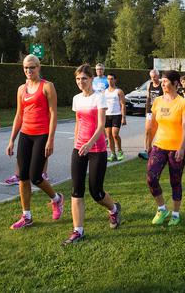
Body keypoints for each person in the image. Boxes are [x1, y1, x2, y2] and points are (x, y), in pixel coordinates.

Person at [63, 64, 122, 245]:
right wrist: (76, 143)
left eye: (84, 79)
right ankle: (78, 231)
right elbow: (78, 123)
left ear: (91, 79)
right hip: (79, 148)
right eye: (78, 79)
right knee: (76, 190)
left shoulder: (99, 98)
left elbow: (100, 126)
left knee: (96, 192)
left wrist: (89, 144)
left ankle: (113, 209)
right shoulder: (76, 99)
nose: (81, 82)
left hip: (96, 149)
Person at [5, 55, 64, 229]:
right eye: (25, 68)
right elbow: (19, 115)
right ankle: (27, 216)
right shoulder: (21, 89)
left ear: (38, 67)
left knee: (36, 177)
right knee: (22, 177)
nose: (29, 71)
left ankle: (57, 199)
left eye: (32, 67)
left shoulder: (47, 86)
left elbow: (53, 114)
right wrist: (11, 140)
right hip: (26, 134)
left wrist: (51, 139)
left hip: (42, 134)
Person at [147, 70, 185, 226]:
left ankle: (176, 213)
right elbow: (153, 125)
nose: (162, 83)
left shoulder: (183, 103)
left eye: (165, 81)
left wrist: (181, 147)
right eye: (162, 81)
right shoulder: (158, 101)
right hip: (159, 146)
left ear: (175, 83)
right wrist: (148, 143)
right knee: (151, 178)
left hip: (176, 149)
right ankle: (161, 208)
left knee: (175, 181)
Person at [139, 69, 163, 161]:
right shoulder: (150, 84)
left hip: (160, 110)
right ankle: (147, 149)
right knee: (148, 130)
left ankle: (158, 148)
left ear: (158, 76)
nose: (153, 79)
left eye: (155, 77)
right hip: (150, 110)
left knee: (158, 130)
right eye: (152, 77)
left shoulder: (162, 85)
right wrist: (146, 111)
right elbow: (148, 98)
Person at [105, 72, 127, 162]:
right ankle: (113, 154)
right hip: (107, 115)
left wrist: (123, 117)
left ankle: (120, 151)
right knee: (109, 135)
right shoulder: (104, 92)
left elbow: (123, 104)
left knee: (115, 134)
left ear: (115, 80)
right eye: (108, 79)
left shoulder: (119, 91)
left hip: (117, 115)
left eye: (111, 79)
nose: (110, 81)